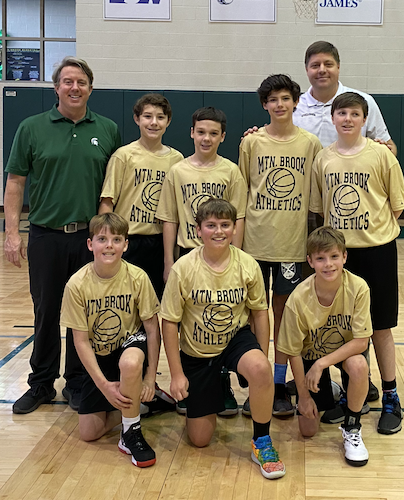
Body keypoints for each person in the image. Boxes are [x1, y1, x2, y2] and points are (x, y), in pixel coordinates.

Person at [4, 57, 121, 414]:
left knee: (83, 315)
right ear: (56, 88)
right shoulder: (31, 127)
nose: (74, 88)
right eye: (67, 81)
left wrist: (108, 238)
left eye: (81, 82)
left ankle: (76, 383)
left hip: (90, 239)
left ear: (90, 88)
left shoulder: (108, 128)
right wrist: (12, 232)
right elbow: (15, 183)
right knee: (46, 311)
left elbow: (111, 188)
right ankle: (40, 384)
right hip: (45, 236)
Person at [160, 198, 286, 479]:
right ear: (198, 230)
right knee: (200, 439)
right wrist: (177, 374)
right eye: (211, 225)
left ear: (234, 229)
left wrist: (261, 360)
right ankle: (214, 383)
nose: (219, 231)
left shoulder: (247, 264)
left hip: (234, 339)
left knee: (259, 369)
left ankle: (262, 441)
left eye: (225, 225)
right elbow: (169, 323)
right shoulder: (184, 268)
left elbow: (260, 313)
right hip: (197, 349)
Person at [310, 92, 404, 435]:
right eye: (341, 113)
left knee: (380, 326)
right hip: (339, 255)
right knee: (348, 328)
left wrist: (372, 229)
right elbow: (320, 209)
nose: (347, 119)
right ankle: (356, 394)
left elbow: (396, 207)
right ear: (332, 119)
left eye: (354, 113)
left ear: (364, 119)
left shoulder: (381, 155)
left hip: (377, 250)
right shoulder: (324, 159)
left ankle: (392, 396)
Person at [239, 74, 322, 418]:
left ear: (296, 102)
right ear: (264, 105)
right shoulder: (252, 143)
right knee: (255, 316)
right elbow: (242, 193)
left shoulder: (310, 143)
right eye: (272, 99)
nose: (279, 104)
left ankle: (278, 383)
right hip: (255, 244)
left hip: (292, 245)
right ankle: (258, 382)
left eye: (285, 98)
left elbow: (315, 201)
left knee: (285, 318)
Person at [156, 106, 247, 416]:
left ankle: (222, 381)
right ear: (191, 133)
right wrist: (169, 260)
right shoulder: (178, 171)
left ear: (223, 137)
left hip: (224, 258)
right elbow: (169, 218)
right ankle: (186, 381)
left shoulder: (231, 171)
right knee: (187, 324)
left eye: (213, 133)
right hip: (188, 257)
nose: (206, 138)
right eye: (201, 132)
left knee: (223, 319)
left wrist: (239, 257)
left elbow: (240, 218)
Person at [60, 213, 160, 468]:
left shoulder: (137, 277)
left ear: (125, 244)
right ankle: (140, 405)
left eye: (116, 239)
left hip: (130, 343)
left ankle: (131, 433)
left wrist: (150, 377)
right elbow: (80, 341)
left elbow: (151, 328)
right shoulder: (77, 285)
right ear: (90, 244)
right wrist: (104, 385)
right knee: (89, 432)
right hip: (100, 353)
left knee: (129, 364)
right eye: (102, 239)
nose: (109, 245)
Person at [277, 226, 371, 467]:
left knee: (359, 365)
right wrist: (304, 396)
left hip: (344, 351)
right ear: (310, 261)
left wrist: (322, 363)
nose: (328, 264)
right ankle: (330, 389)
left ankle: (352, 427)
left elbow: (361, 341)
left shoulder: (359, 287)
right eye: (320, 258)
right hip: (310, 354)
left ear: (344, 257)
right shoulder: (298, 298)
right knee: (308, 430)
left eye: (334, 257)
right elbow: (293, 351)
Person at [99, 93, 183, 300]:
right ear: (137, 119)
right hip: (129, 241)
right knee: (126, 302)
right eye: (147, 116)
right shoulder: (123, 156)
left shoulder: (177, 159)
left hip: (161, 241)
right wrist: (107, 241)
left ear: (168, 121)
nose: (154, 122)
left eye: (160, 117)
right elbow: (107, 202)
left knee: (156, 304)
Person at [294, 40, 397, 154]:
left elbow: (390, 149)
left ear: (338, 67)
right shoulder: (294, 106)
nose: (322, 70)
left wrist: (385, 151)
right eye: (315, 65)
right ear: (307, 69)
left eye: (328, 64)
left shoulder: (364, 101)